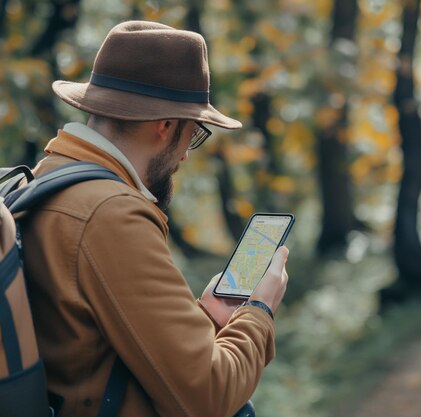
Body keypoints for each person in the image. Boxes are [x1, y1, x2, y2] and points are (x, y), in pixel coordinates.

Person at [21, 20, 290, 417]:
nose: (185, 155)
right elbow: (209, 396)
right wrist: (259, 312)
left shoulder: (46, 181)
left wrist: (208, 318)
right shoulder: (109, 213)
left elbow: (97, 346)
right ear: (166, 127)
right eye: (193, 133)